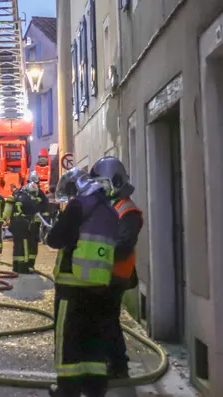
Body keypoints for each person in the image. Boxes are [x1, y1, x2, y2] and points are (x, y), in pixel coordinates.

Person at [45, 167, 121, 397]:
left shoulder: (79, 205)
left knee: (69, 340)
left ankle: (67, 390)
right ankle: (95, 388)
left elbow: (55, 239)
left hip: (73, 285)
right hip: (100, 287)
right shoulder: (109, 209)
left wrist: (59, 222)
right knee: (95, 339)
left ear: (75, 187)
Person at [89, 156, 144, 379]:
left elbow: (124, 244)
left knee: (108, 320)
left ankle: (118, 365)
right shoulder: (114, 206)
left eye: (104, 184)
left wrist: (98, 253)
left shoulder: (127, 210)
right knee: (104, 318)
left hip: (117, 273)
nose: (101, 189)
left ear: (115, 181)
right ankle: (112, 359)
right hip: (107, 272)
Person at [3, 179, 39, 273]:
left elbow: (7, 211)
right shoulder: (29, 200)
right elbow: (33, 213)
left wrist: (6, 220)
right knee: (25, 246)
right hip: (23, 224)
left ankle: (16, 265)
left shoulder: (16, 196)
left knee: (17, 244)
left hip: (14, 223)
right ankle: (24, 267)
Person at [26, 172, 49, 270]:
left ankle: (29, 263)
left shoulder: (39, 194)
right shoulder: (39, 193)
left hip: (31, 222)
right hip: (29, 222)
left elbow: (45, 209)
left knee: (29, 242)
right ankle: (28, 263)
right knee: (30, 243)